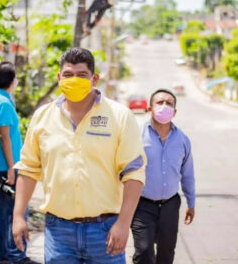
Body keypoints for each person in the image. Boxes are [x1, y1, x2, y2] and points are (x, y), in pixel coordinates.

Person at [12, 47, 146, 263]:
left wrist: (123, 223)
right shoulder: (42, 117)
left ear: (94, 79)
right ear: (59, 78)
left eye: (82, 75)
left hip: (105, 232)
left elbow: (134, 174)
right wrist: (18, 216)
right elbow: (28, 170)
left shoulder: (119, 116)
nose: (74, 80)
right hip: (58, 233)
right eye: (68, 74)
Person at [131, 89, 195, 264]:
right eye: (160, 103)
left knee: (166, 253)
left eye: (169, 103)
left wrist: (191, 202)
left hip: (170, 205)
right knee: (144, 252)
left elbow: (187, 173)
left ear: (174, 112)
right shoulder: (136, 135)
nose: (164, 106)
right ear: (150, 108)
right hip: (141, 205)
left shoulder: (182, 139)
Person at [0, 62, 37, 264]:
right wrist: (12, 167)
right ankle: (16, 255)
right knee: (18, 210)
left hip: (0, 165)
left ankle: (2, 256)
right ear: (13, 81)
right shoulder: (4, 103)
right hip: (8, 166)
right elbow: (4, 136)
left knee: (3, 212)